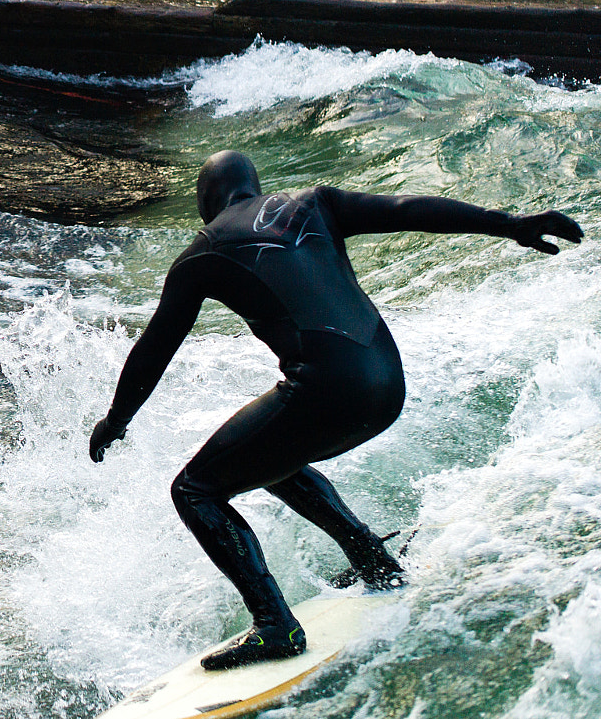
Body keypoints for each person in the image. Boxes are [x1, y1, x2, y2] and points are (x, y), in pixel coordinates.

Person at [88, 151, 583, 671]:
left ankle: (274, 626)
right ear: (255, 185)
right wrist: (509, 224)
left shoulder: (202, 254)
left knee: (195, 490)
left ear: (204, 202)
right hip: (386, 384)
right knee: (268, 457)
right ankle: (374, 562)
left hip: (327, 389)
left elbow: (155, 347)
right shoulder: (313, 203)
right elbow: (406, 208)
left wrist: (116, 421)